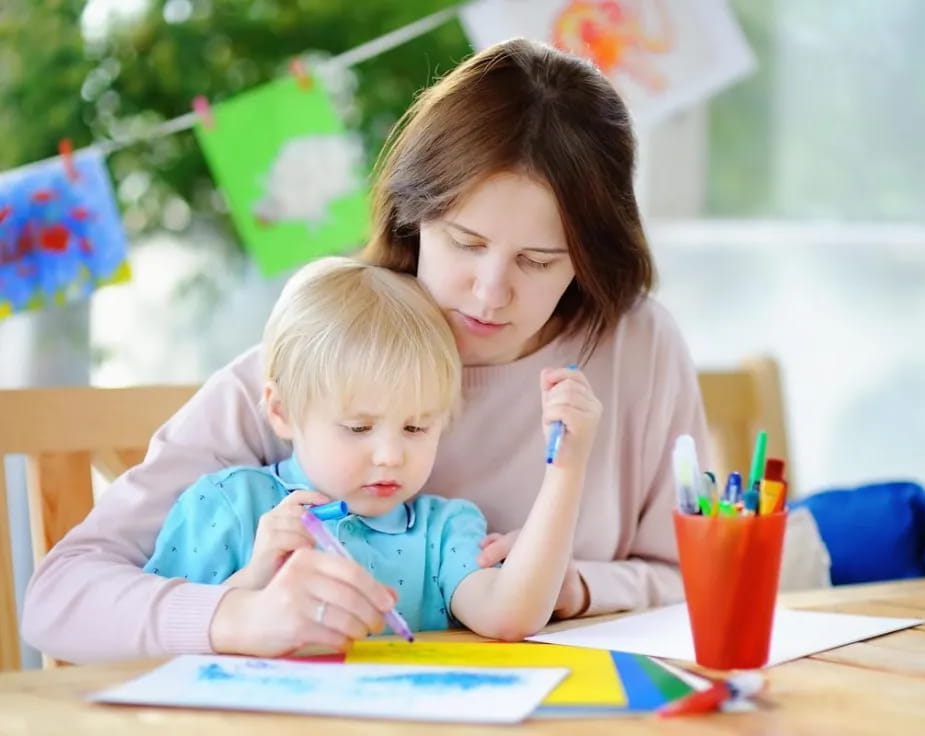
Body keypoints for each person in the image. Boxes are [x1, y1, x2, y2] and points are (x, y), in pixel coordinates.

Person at [22, 37, 709, 664]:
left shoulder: (638, 347)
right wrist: (235, 618)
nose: (490, 292)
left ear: (589, 258)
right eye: (465, 244)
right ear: (413, 216)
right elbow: (60, 596)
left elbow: (699, 573)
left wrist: (573, 584)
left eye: (538, 261)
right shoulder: (324, 354)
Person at [142, 256, 600, 645]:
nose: (390, 455)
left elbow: (510, 615)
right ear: (280, 411)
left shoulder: (442, 532)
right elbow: (151, 638)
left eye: (417, 427)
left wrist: (567, 470)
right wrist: (252, 581)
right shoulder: (230, 506)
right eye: (358, 427)